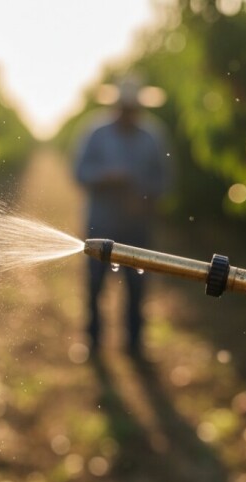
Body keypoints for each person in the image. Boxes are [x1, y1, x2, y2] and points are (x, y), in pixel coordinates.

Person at [73, 77, 172, 356]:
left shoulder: (153, 137)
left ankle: (135, 345)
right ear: (116, 106)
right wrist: (107, 178)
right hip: (100, 225)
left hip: (138, 227)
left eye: (133, 108)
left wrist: (146, 199)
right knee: (94, 285)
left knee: (137, 288)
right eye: (124, 107)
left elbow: (165, 180)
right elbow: (79, 172)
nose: (128, 113)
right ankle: (93, 343)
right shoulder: (96, 133)